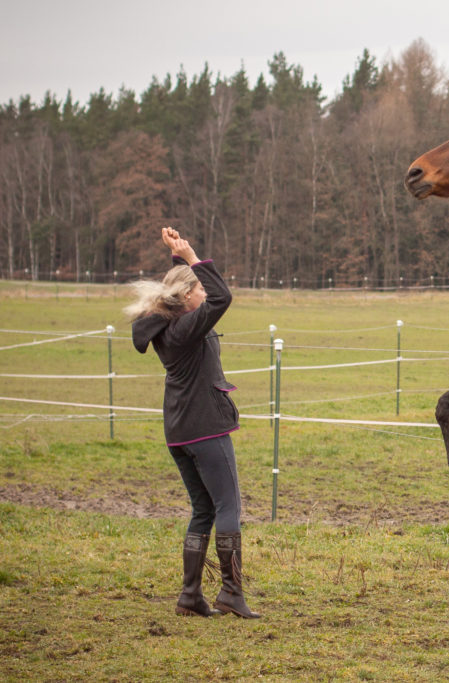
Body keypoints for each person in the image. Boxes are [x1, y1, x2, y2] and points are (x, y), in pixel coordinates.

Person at [126, 227, 260, 619]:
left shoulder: (170, 326)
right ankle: (231, 592)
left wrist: (178, 260)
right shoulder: (187, 327)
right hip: (206, 428)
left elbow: (196, 293)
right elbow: (223, 296)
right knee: (228, 506)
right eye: (197, 289)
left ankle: (189, 596)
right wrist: (192, 256)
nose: (204, 294)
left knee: (203, 510)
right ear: (187, 298)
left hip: (179, 430)